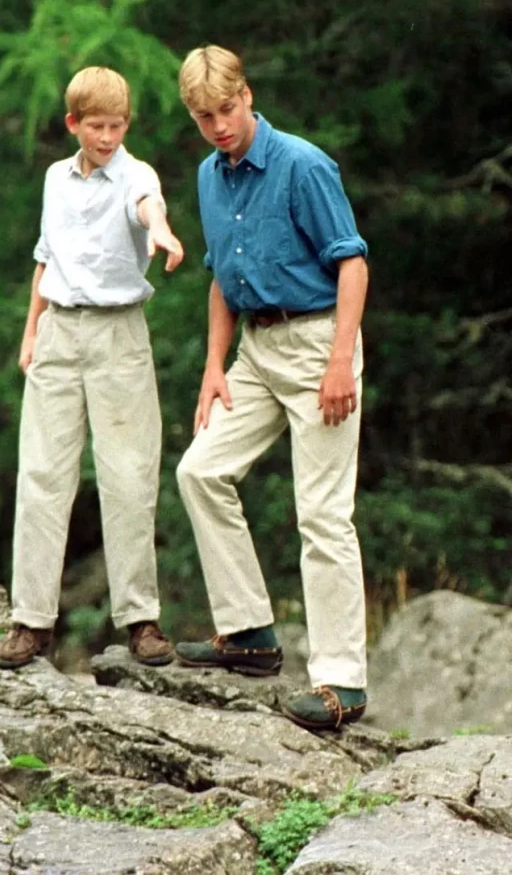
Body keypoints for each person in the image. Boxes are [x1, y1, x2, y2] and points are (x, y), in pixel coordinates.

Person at [173, 45, 369, 731]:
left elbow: (352, 265)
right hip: (255, 347)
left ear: (247, 95)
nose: (219, 125)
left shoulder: (303, 165)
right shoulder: (209, 174)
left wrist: (341, 359)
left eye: (226, 109)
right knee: (200, 471)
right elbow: (221, 276)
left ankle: (342, 682)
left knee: (321, 513)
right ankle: (249, 634)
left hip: (319, 341)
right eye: (204, 116)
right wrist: (213, 365)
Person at [0, 66, 184, 669]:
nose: (107, 137)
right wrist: (31, 333)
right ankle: (31, 620)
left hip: (116, 333)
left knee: (128, 475)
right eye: (97, 126)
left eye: (118, 125)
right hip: (58, 331)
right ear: (74, 124)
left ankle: (141, 620)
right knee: (43, 474)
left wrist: (162, 233)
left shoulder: (136, 174)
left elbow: (147, 206)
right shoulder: (56, 178)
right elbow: (45, 259)